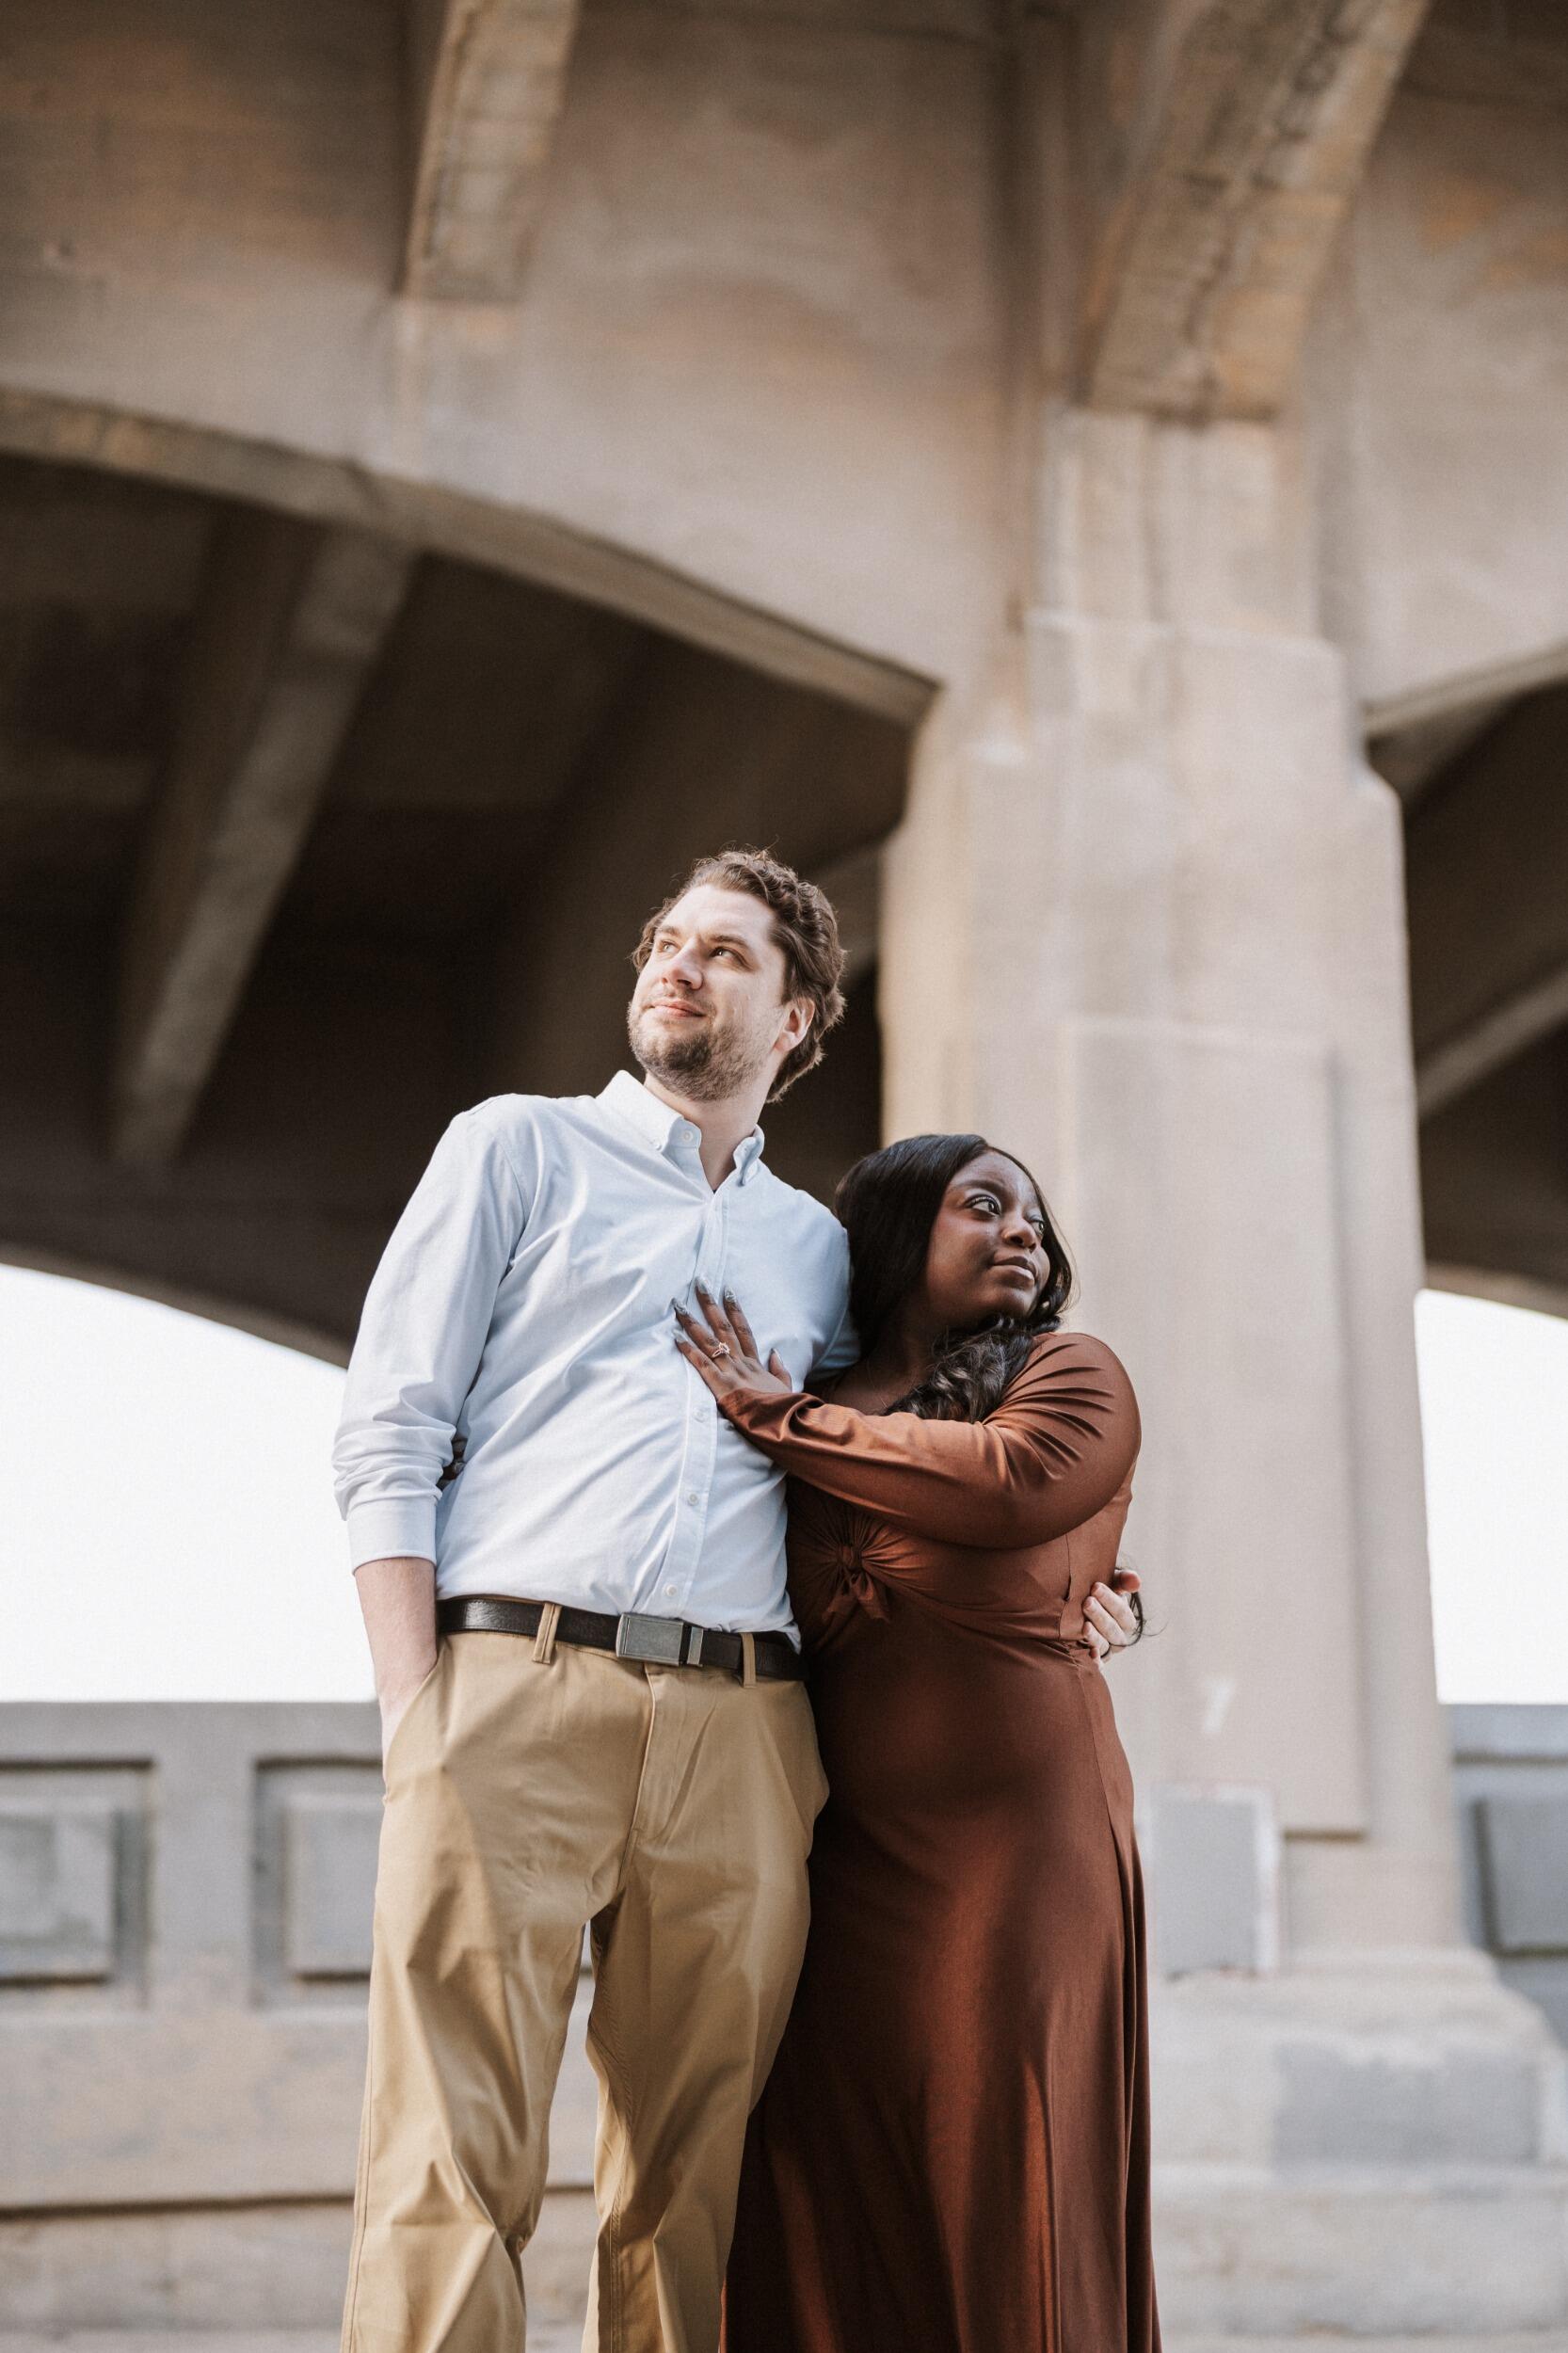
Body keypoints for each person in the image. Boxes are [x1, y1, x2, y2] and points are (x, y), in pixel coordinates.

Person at [331, 844, 1142, 2353]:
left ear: (797, 1020)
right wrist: (415, 1705)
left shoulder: (819, 1251)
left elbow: (914, 1443)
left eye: (724, 953)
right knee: (448, 2159)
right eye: (664, 941)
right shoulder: (514, 1150)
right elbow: (390, 1425)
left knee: (695, 2182)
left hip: (751, 1728)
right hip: (514, 1684)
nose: (674, 966)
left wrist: (1097, 1581)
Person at [674, 1134, 1158, 2353]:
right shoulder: (802, 1391)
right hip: (828, 1849)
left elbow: (1010, 1486)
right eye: (980, 1205)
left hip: (1022, 1849)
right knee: (818, 2151)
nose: (1020, 1233)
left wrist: (770, 1413)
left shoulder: (1065, 1370)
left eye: (1032, 1219)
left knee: (1005, 2158)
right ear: (890, 1235)